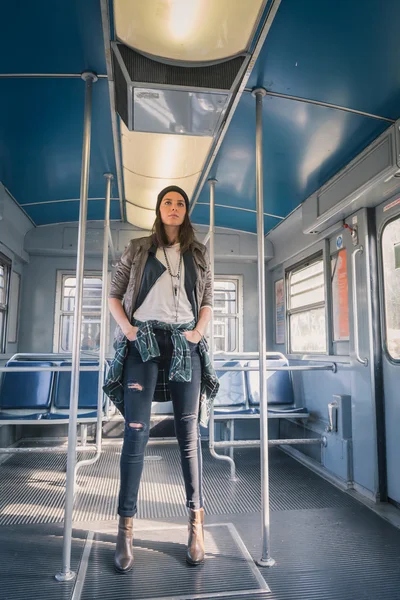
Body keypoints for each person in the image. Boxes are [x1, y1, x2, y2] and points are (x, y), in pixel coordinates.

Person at [104, 185, 219, 574]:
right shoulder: (138, 248)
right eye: (168, 202)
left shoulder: (198, 252)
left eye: (180, 203)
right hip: (145, 340)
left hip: (185, 340)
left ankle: (195, 526)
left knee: (188, 435)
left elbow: (207, 301)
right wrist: (131, 331)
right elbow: (114, 294)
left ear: (186, 212)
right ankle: (125, 529)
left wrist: (198, 334)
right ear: (159, 209)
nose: (174, 208)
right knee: (136, 432)